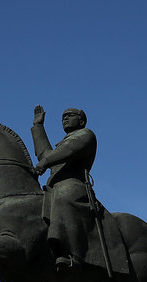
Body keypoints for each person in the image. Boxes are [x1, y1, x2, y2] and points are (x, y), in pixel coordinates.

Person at [31, 105, 97, 272]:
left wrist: (44, 163)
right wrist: (38, 127)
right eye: (62, 117)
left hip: (73, 186)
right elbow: (46, 155)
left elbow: (68, 150)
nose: (64, 119)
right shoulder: (63, 144)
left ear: (81, 120)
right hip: (54, 186)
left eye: (69, 115)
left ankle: (76, 256)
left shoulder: (86, 135)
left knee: (63, 195)